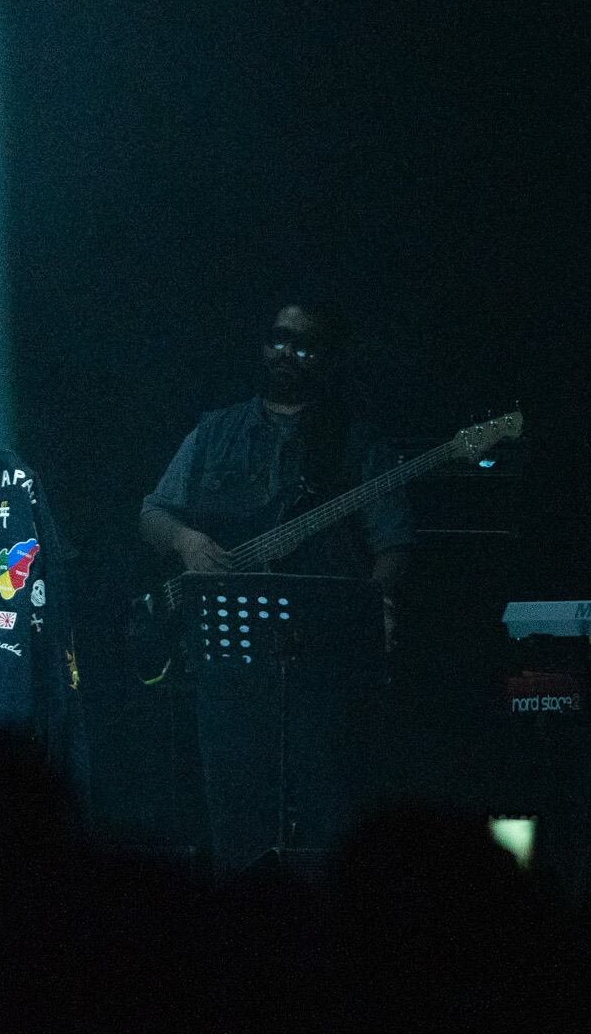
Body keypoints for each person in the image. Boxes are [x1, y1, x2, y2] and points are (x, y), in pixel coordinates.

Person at [137, 300, 413, 871]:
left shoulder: (357, 443)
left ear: (327, 360)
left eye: (305, 346)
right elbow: (152, 512)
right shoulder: (214, 432)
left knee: (325, 817)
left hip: (322, 664)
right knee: (234, 817)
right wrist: (187, 543)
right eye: (278, 339)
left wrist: (377, 603)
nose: (286, 353)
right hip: (225, 662)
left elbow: (393, 544)